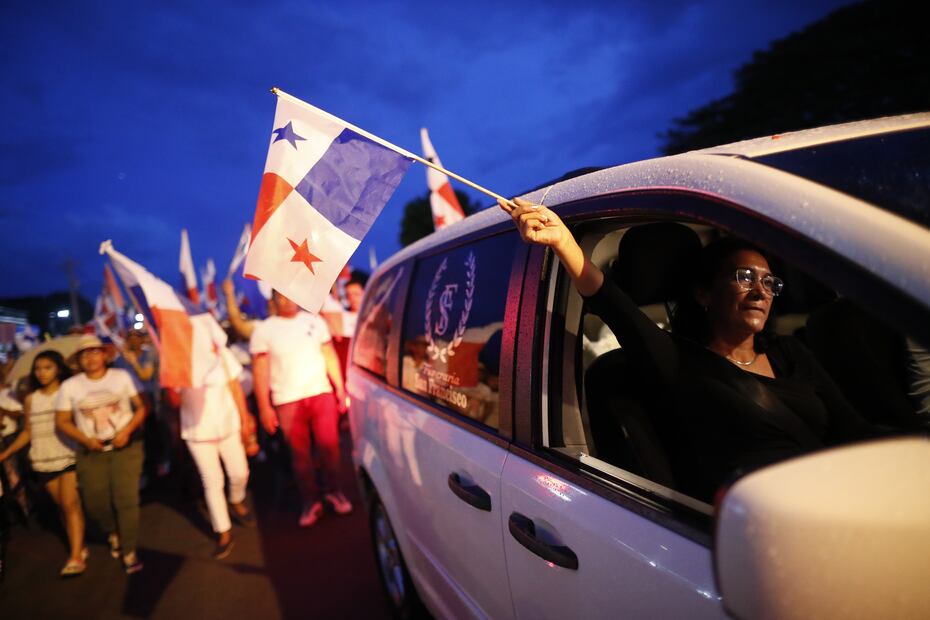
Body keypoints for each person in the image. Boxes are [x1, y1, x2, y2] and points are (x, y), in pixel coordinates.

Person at [500, 198, 884, 501]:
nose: (760, 292)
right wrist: (564, 241)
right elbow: (612, 304)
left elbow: (854, 428)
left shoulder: (790, 353)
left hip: (844, 496)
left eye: (769, 283)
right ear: (703, 294)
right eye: (744, 277)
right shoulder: (678, 361)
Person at [251, 290, 352, 527]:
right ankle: (310, 501)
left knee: (330, 447)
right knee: (299, 455)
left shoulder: (315, 322)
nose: (286, 299)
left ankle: (333, 491)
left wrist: (339, 388)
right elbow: (260, 370)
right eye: (280, 296)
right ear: (273, 300)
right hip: (287, 400)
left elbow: (329, 356)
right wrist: (264, 406)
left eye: (289, 294)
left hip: (320, 394)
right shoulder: (264, 330)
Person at [55, 335, 147, 574]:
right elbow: (62, 420)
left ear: (105, 355)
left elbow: (141, 407)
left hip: (125, 448)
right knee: (95, 503)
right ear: (78, 360)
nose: (90, 357)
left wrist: (127, 431)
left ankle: (129, 551)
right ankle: (113, 532)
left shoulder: (122, 377)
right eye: (84, 354)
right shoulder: (70, 386)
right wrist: (85, 439)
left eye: (95, 351)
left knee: (126, 500)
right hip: (90, 451)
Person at [0, 351, 87, 576]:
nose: (42, 373)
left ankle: (76, 556)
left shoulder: (68, 393)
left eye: (48, 367)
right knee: (63, 506)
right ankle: (79, 543)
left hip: (68, 455)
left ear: (58, 369)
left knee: (70, 504)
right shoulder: (31, 399)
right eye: (38, 368)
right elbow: (28, 432)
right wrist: (7, 452)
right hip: (43, 459)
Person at [175, 345, 255, 559]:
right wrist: (174, 378)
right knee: (212, 481)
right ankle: (223, 531)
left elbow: (235, 387)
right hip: (197, 431)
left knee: (240, 472)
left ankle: (236, 499)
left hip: (228, 424)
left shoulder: (220, 352)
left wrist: (245, 418)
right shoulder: (177, 359)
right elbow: (172, 401)